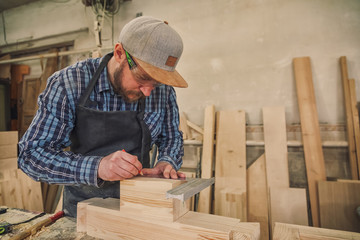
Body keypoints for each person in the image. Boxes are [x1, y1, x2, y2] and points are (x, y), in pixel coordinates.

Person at [18, 16, 187, 218]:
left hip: (140, 209)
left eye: (157, 83)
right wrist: (98, 167)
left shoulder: (163, 91)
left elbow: (171, 137)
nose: (149, 92)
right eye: (142, 78)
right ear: (119, 53)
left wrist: (166, 162)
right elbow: (31, 155)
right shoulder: (70, 83)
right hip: (84, 211)